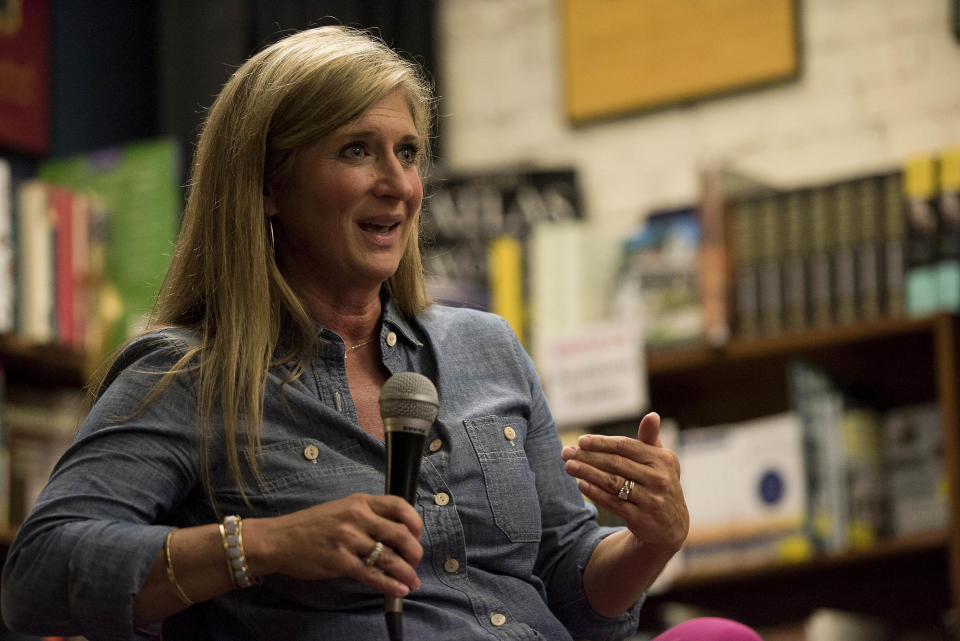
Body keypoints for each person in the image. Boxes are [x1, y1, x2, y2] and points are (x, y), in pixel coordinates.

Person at [1, 26, 761, 641]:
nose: (397, 184)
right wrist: (263, 544)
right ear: (266, 183)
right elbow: (38, 573)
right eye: (356, 150)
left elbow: (569, 578)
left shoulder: (485, 346)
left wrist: (648, 541)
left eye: (407, 152)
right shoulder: (189, 374)